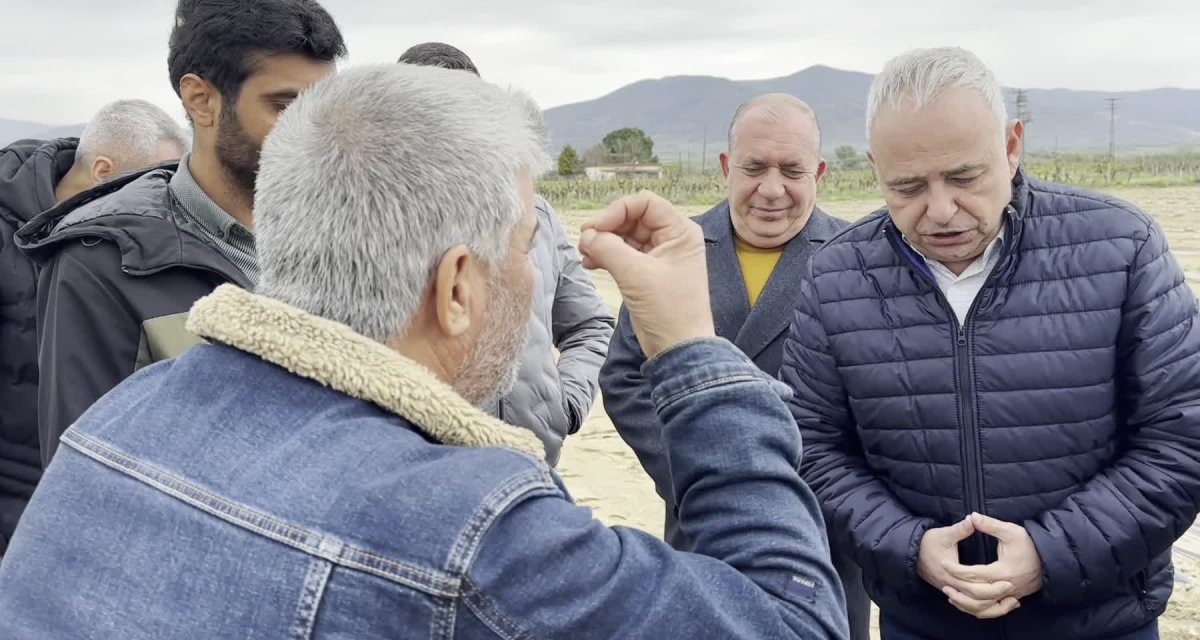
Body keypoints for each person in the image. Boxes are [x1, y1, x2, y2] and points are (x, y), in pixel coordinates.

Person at [0, 63, 847, 640]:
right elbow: (794, 620)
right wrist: (693, 352)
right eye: (525, 245)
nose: (534, 269)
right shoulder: (476, 529)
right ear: (456, 288)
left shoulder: (122, 415)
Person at [781, 47, 1200, 640]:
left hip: (1098, 620)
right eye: (907, 186)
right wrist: (908, 547)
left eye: (965, 177)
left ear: (1012, 146)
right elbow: (809, 446)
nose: (940, 211)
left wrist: (1051, 552)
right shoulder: (838, 275)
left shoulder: (1120, 246)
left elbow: (1188, 430)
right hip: (923, 621)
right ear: (874, 167)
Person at [16, 0, 346, 466]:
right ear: (201, 100)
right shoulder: (100, 264)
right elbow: (87, 486)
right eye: (286, 105)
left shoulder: (345, 240)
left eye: (323, 107)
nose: (311, 132)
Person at [601, 93, 871, 640]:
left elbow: (884, 394)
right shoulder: (675, 251)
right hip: (701, 517)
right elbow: (625, 376)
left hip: (822, 532)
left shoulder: (859, 258)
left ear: (819, 173)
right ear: (727, 167)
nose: (772, 189)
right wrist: (701, 470)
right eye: (754, 168)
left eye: (792, 170)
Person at [398, 41, 614, 465]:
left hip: (534, 464)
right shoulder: (373, 224)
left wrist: (563, 405)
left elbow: (591, 323)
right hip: (422, 468)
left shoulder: (537, 216)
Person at [0, 99, 187, 554]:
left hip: (87, 488)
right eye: (151, 180)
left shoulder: (120, 245)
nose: (161, 197)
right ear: (104, 170)